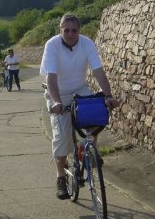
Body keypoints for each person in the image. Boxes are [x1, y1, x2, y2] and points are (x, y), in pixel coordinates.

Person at [40, 13, 119, 200]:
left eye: (74, 30)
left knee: (96, 115)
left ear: (79, 31)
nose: (70, 34)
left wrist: (108, 95)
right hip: (57, 92)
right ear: (60, 30)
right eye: (66, 30)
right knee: (62, 138)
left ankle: (88, 150)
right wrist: (57, 102)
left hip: (80, 89)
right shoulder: (52, 45)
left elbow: (98, 71)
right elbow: (51, 77)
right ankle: (60, 177)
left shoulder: (86, 43)